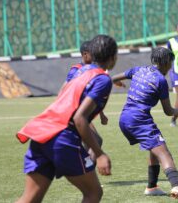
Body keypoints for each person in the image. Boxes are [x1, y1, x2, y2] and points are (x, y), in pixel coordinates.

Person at [16, 34, 118, 202]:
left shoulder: (80, 70)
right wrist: (99, 154)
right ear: (113, 57)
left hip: (41, 132)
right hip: (62, 136)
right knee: (93, 193)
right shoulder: (103, 79)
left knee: (30, 198)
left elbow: (64, 93)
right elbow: (79, 118)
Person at [112, 47, 178, 203]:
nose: (170, 67)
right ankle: (176, 185)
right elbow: (167, 111)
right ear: (166, 63)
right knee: (164, 153)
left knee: (154, 148)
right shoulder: (160, 80)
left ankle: (152, 187)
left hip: (124, 118)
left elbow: (113, 78)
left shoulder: (138, 69)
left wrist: (116, 81)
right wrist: (177, 111)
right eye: (170, 63)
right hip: (139, 120)